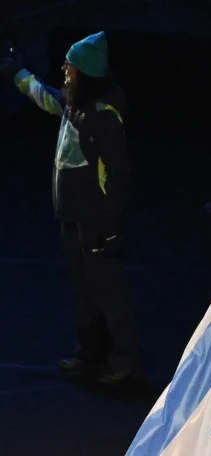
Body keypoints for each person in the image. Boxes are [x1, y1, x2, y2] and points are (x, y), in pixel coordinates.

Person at [2, 32, 141, 384]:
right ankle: (90, 353)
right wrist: (19, 73)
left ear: (86, 72)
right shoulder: (76, 102)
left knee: (107, 290)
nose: (64, 68)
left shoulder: (102, 114)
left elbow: (119, 173)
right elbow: (49, 99)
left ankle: (125, 361)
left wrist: (110, 226)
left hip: (94, 216)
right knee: (83, 289)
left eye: (70, 65)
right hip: (72, 214)